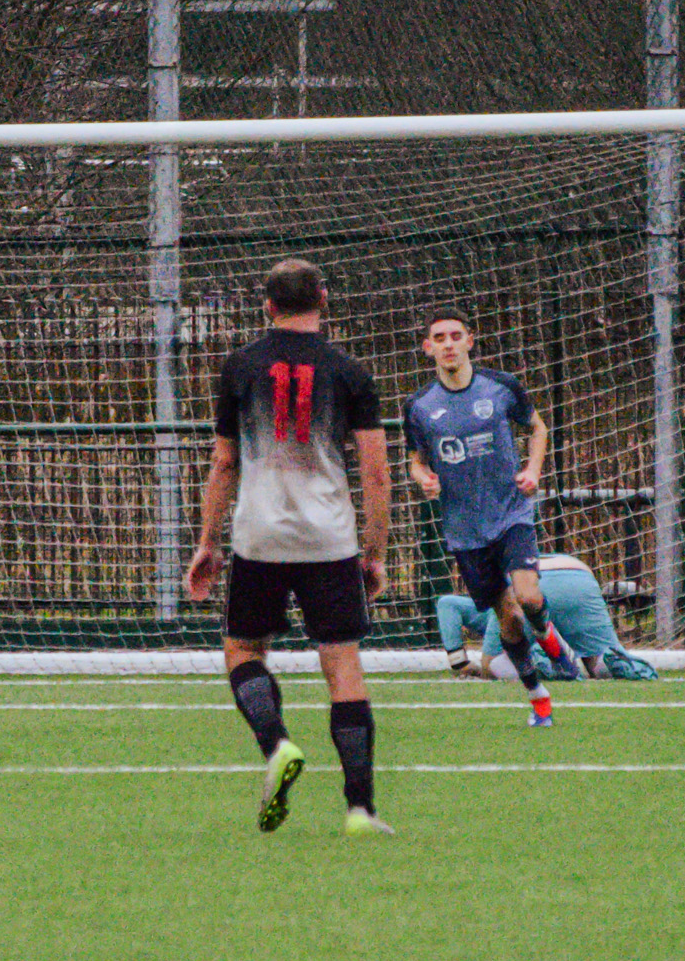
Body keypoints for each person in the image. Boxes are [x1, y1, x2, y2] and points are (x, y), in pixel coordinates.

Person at [185, 258, 394, 837]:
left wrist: (208, 541)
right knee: (343, 667)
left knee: (242, 650)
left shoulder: (241, 367)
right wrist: (373, 553)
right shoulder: (351, 371)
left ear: (267, 306)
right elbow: (376, 473)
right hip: (330, 540)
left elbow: (224, 461)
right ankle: (359, 810)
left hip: (259, 538)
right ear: (323, 299)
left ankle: (275, 743)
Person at [404, 310, 572, 727]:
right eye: (438, 337)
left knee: (529, 596)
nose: (447, 343)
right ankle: (538, 695)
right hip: (465, 531)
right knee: (508, 618)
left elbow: (538, 428)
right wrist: (424, 478)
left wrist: (532, 470)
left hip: (510, 513)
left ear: (470, 341)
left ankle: (548, 634)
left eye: (455, 336)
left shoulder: (500, 388)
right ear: (428, 348)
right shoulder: (420, 406)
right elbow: (415, 461)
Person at [435, 552, 657, 682]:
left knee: (491, 664)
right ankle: (613, 662)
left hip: (525, 582)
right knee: (596, 657)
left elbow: (447, 604)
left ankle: (541, 665)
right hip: (579, 576)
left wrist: (461, 664)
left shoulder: (492, 599)